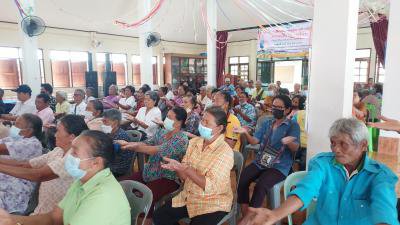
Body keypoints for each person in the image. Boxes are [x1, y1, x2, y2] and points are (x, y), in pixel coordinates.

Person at [239, 118, 398, 225]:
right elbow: (306, 189)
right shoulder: (323, 163)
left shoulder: (380, 175)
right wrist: (274, 214)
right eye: (333, 143)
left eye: (344, 144)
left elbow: (384, 209)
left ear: (363, 146)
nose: (336, 149)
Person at [0, 130, 131, 225]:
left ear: (96, 163)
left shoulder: (103, 198)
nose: (69, 157)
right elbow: (54, 217)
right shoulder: (82, 181)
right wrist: (11, 220)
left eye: (74, 152)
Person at [153, 106, 234, 225]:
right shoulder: (194, 142)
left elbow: (210, 186)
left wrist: (185, 168)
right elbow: (185, 178)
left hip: (213, 202)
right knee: (159, 216)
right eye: (202, 120)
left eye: (207, 122)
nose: (202, 124)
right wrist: (178, 168)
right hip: (189, 195)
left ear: (220, 128)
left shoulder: (225, 152)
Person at [0, 115, 88, 215]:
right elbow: (26, 165)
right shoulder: (58, 150)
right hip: (42, 209)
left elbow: (39, 175)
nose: (55, 135)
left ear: (71, 137)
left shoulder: (74, 157)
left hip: (56, 215)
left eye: (58, 131)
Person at [118, 107, 189, 225]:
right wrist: (130, 143)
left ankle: (145, 220)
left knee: (146, 197)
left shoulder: (182, 139)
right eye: (167, 117)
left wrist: (133, 146)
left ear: (179, 122)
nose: (166, 120)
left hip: (168, 177)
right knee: (124, 186)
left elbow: (158, 150)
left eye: (170, 118)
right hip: (150, 171)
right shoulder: (162, 132)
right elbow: (147, 142)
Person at [234, 95, 300, 217]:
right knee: (242, 179)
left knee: (261, 186)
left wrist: (289, 142)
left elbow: (295, 147)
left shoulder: (292, 125)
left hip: (279, 166)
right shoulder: (267, 122)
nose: (275, 109)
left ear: (287, 110)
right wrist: (245, 133)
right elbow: (254, 141)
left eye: (279, 107)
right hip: (261, 161)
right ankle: (245, 213)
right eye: (273, 106)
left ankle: (250, 219)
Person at [0, 114, 43, 213]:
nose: (13, 127)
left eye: (17, 124)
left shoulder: (33, 144)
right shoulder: (15, 138)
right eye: (14, 123)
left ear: (29, 130)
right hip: (6, 175)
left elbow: (2, 149)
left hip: (18, 182)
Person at [102, 109, 134, 177]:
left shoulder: (120, 136)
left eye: (105, 121)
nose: (103, 124)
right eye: (102, 121)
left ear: (115, 122)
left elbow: (109, 154)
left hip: (118, 167)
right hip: (112, 162)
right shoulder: (110, 132)